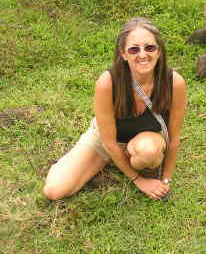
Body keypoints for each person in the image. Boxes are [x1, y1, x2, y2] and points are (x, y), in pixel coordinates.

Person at [43, 17, 187, 200]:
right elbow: (108, 142)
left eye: (150, 47)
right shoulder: (108, 82)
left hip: (146, 140)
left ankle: (124, 158)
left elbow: (174, 139)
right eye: (134, 49)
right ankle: (111, 160)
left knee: (148, 152)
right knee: (54, 191)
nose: (142, 55)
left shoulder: (174, 82)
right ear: (123, 53)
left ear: (159, 51)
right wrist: (138, 180)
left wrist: (166, 179)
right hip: (107, 139)